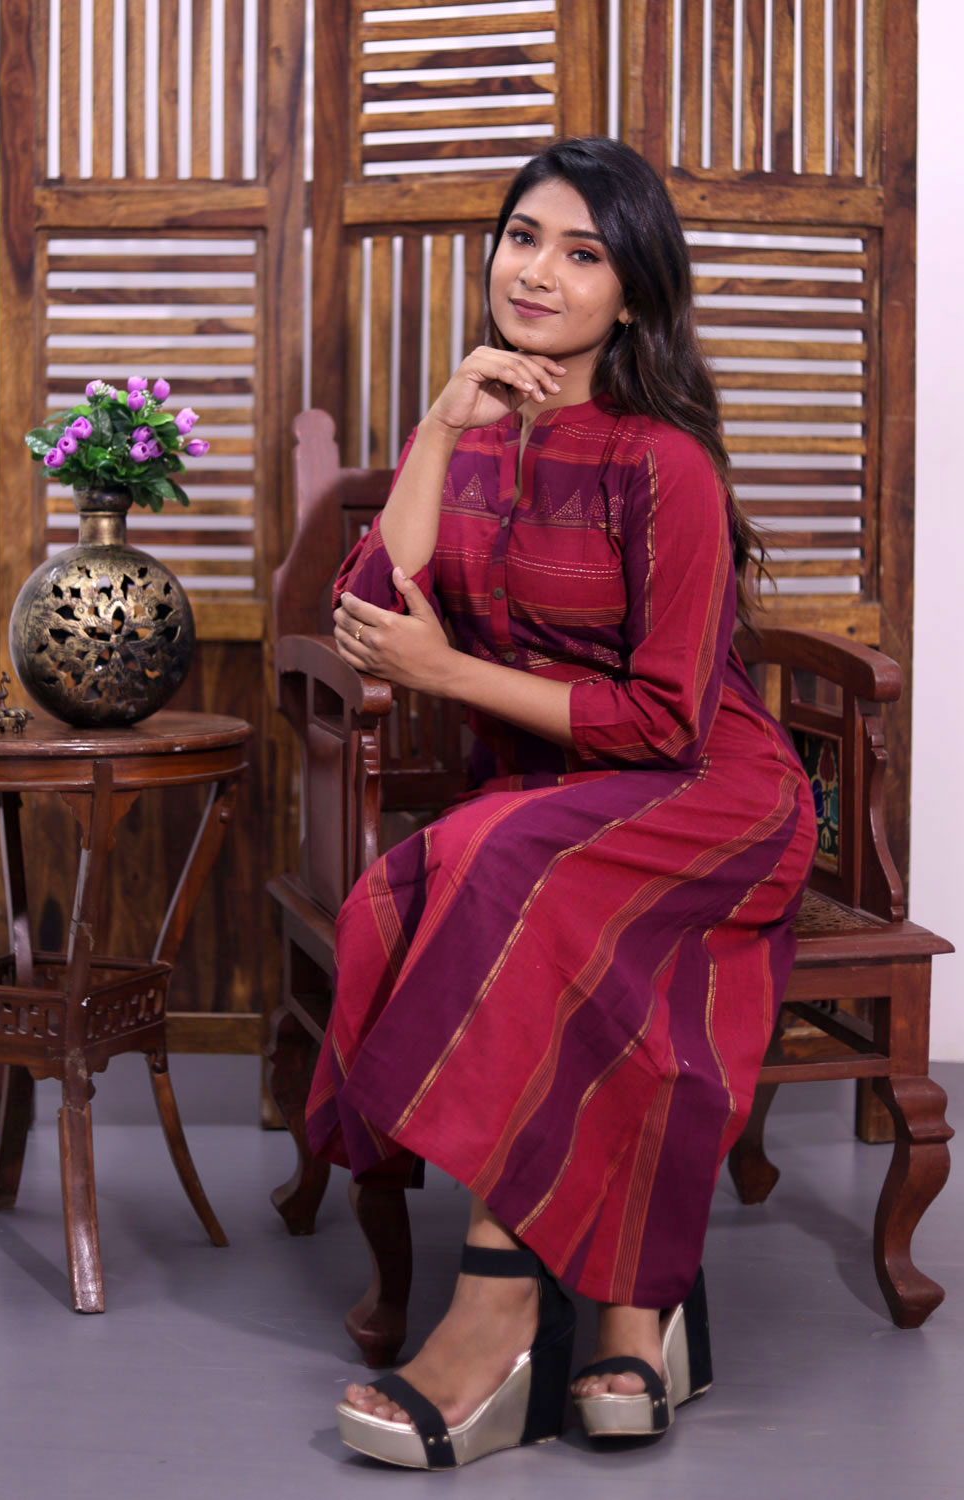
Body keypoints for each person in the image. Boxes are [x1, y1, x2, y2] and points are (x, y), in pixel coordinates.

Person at [306, 136, 817, 1470]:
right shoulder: (472, 435)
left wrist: (447, 673)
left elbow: (667, 722)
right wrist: (440, 425)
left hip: (712, 793)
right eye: (523, 237)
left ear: (632, 295)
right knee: (415, 885)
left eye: (583, 254)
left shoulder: (666, 464)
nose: (537, 272)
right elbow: (370, 611)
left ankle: (497, 1308)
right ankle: (639, 1313)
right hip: (560, 795)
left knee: (510, 878)